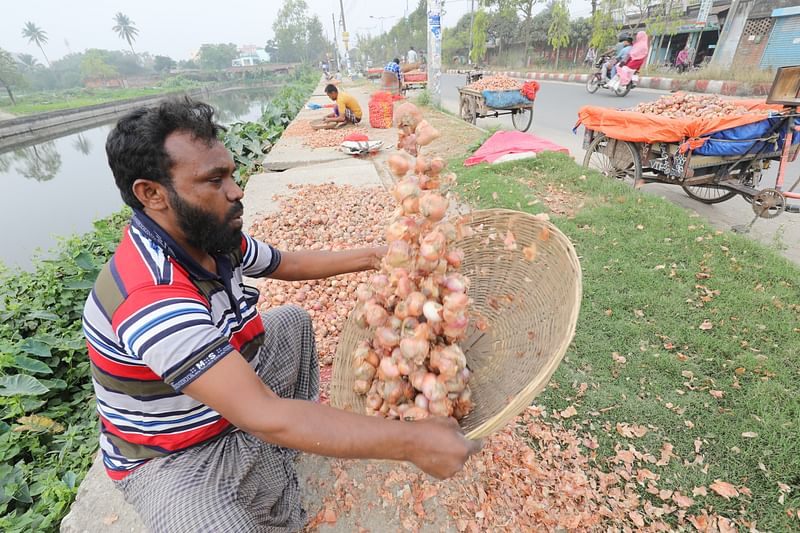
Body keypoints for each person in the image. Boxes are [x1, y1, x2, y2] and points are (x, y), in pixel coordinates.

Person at [86, 97, 482, 532]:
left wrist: (378, 256)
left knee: (291, 323)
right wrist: (413, 442)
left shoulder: (211, 238)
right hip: (174, 453)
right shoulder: (151, 294)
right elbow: (261, 412)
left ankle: (287, 440)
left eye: (232, 175)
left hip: (221, 397)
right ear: (151, 194)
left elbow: (286, 264)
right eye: (214, 180)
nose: (236, 191)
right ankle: (283, 436)